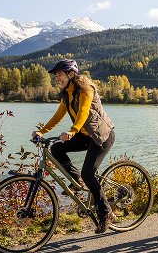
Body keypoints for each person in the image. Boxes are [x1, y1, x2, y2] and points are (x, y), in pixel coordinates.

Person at [32, 59, 116, 234]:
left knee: (88, 173)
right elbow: (58, 116)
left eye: (60, 74)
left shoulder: (86, 88)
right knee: (56, 149)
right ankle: (77, 181)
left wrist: (72, 131)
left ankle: (106, 212)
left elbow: (84, 111)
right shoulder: (67, 94)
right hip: (85, 136)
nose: (57, 78)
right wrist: (41, 131)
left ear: (71, 74)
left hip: (101, 135)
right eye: (56, 75)